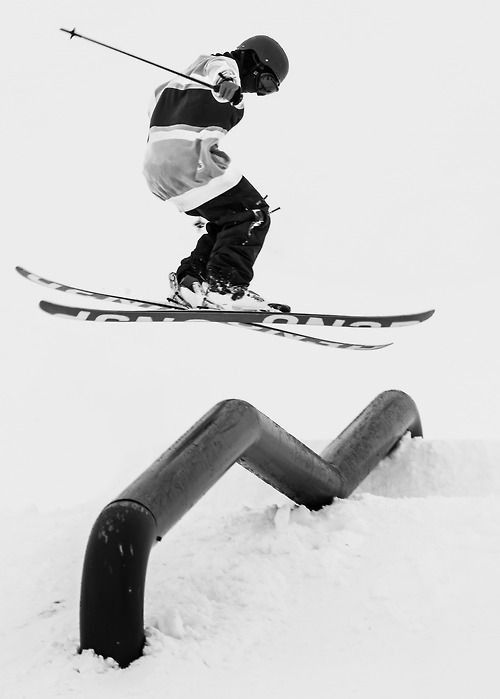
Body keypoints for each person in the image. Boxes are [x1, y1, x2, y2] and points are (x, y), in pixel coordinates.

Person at [143, 35, 289, 311]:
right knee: (254, 214)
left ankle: (191, 283)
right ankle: (227, 289)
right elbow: (220, 69)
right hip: (190, 161)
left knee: (229, 222)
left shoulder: (173, 84)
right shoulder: (222, 66)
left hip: (156, 170)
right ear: (255, 62)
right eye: (266, 82)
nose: (259, 91)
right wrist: (226, 82)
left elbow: (155, 108)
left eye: (267, 90)